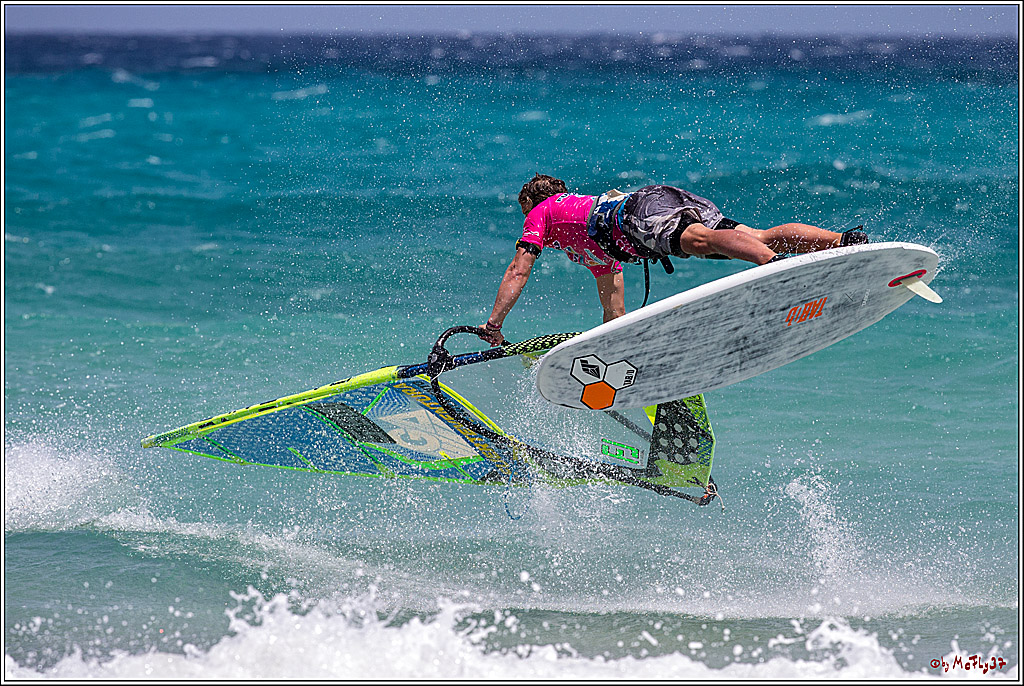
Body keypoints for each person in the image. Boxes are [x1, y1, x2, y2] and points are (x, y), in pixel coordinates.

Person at [478, 174, 868, 346]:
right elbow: (610, 290)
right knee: (749, 235)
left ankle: (773, 264)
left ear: (531, 203)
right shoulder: (581, 229)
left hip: (641, 213)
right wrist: (611, 340)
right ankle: (840, 242)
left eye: (523, 211)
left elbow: (518, 268)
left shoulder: (541, 211)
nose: (525, 220)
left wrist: (494, 323)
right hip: (649, 207)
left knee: (698, 239)